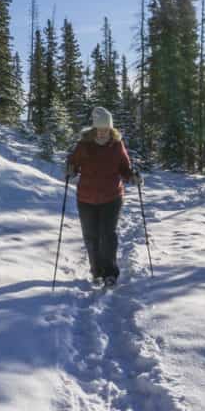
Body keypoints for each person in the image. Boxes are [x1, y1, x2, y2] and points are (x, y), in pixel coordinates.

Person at [65, 107, 139, 287]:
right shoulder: (84, 145)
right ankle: (96, 271)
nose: (102, 132)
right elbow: (73, 163)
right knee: (91, 236)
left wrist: (132, 177)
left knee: (108, 234)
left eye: (106, 129)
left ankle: (110, 273)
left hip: (112, 196)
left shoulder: (116, 144)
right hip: (86, 197)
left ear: (111, 128)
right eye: (99, 129)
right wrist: (70, 170)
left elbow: (124, 167)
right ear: (94, 128)